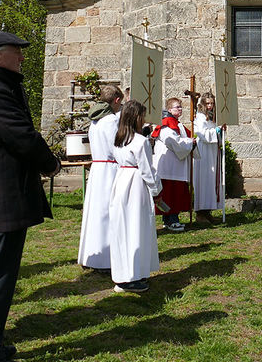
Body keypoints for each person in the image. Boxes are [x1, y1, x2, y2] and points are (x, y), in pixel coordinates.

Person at [0, 30, 60, 362]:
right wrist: (51, 163)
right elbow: (23, 137)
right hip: (2, 199)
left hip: (2, 197)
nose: (21, 57)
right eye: (15, 51)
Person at [109, 100, 162, 293]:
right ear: (136, 118)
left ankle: (124, 275)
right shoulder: (140, 142)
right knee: (135, 228)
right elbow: (147, 171)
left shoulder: (119, 139)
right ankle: (132, 277)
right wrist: (156, 190)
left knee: (123, 229)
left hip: (121, 181)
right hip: (135, 186)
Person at [78, 84, 123, 270]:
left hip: (98, 168)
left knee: (95, 213)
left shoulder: (95, 120)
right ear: (117, 100)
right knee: (107, 213)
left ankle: (91, 255)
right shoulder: (111, 120)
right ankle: (105, 259)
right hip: (109, 168)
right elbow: (116, 147)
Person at [151, 97, 197, 232]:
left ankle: (170, 220)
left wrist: (190, 141)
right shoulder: (166, 124)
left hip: (175, 165)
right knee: (171, 195)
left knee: (173, 193)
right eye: (177, 107)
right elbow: (173, 142)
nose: (180, 109)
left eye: (181, 107)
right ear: (169, 109)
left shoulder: (176, 123)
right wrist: (190, 143)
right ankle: (172, 221)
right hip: (169, 166)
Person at [193, 92, 225, 224]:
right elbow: (201, 133)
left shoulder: (212, 116)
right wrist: (216, 131)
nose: (210, 106)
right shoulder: (200, 116)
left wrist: (221, 131)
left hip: (212, 150)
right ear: (203, 104)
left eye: (212, 103)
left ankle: (208, 211)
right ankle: (200, 213)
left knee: (211, 180)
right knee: (204, 180)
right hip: (203, 151)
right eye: (207, 103)